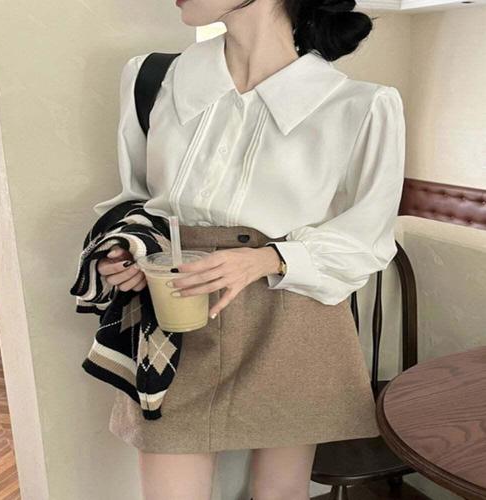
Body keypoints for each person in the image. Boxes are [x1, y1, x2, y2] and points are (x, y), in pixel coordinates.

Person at [94, 0, 405, 498]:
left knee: (281, 493)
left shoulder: (363, 105)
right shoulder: (151, 78)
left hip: (294, 311)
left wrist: (267, 258)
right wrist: (131, 249)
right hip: (177, 308)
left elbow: (367, 236)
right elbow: (135, 200)